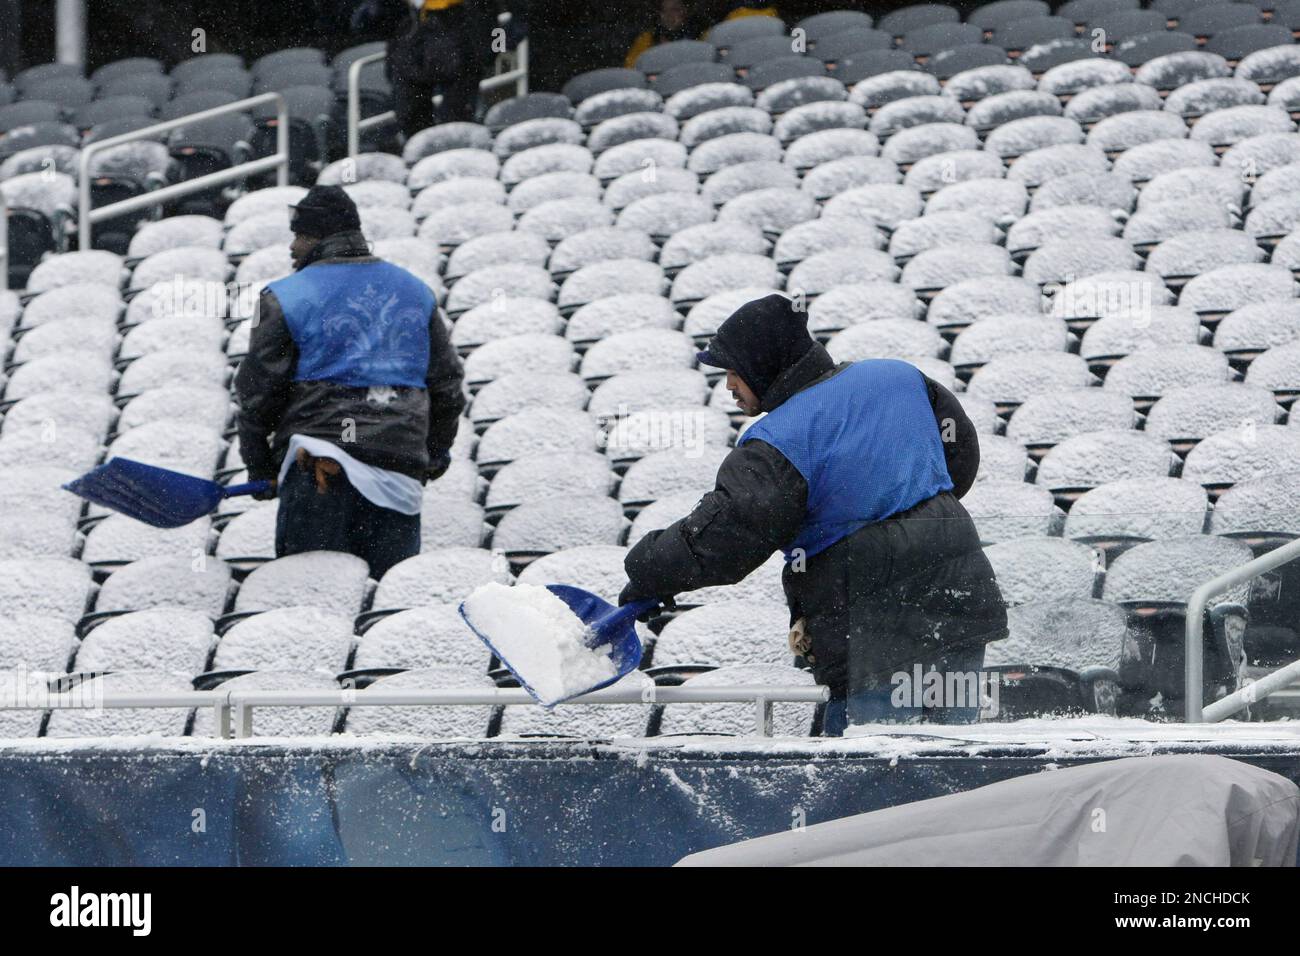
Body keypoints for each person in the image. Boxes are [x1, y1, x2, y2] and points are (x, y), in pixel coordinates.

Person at [619, 294, 1008, 736]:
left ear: (765, 364)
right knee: (961, 757)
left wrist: (648, 571)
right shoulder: (898, 376)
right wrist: (908, 503)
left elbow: (724, 541)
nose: (727, 385)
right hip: (958, 594)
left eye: (733, 371)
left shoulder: (778, 439)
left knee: (876, 774)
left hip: (869, 620)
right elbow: (959, 457)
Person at [233, 185, 465, 578]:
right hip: (399, 466)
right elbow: (447, 386)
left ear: (317, 237)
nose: (292, 248)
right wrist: (434, 453)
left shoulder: (280, 297)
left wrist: (259, 467)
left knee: (313, 602)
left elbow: (256, 392)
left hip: (319, 469)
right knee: (386, 595)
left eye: (299, 236)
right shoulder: (417, 291)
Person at [385, 0, 501, 136]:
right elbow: (370, 21)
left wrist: (497, 48)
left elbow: (499, 26)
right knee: (410, 118)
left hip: (462, 41)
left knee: (456, 123)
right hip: (414, 42)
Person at [625, 0, 706, 69]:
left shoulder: (701, 37)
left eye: (674, 9)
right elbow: (631, 70)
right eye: (664, 10)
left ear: (685, 12)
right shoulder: (646, 39)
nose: (668, 14)